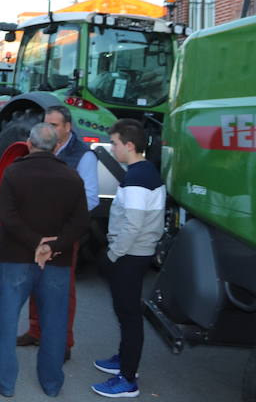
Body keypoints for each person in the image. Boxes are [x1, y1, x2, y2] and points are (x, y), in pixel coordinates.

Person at [0, 123, 89, 398]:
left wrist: (35, 243)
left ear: (29, 144)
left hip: (15, 259)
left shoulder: (13, 172)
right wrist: (53, 245)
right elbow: (79, 222)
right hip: (57, 261)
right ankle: (52, 384)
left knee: (5, 323)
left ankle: (4, 382)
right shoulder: (71, 177)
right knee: (55, 324)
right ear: (56, 147)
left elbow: (5, 215)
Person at [18, 105, 100, 359]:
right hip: (35, 231)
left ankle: (63, 341)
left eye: (54, 125)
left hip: (62, 233)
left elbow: (90, 199)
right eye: (46, 123)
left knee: (61, 288)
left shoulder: (83, 156)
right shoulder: (37, 148)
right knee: (35, 282)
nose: (48, 128)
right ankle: (36, 330)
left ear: (67, 127)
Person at [91, 119, 164, 398]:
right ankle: (124, 361)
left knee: (129, 315)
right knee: (126, 313)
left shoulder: (136, 179)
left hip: (131, 255)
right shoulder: (144, 172)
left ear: (130, 145)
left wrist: (111, 255)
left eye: (116, 143)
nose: (113, 148)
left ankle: (128, 379)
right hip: (136, 253)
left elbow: (132, 225)